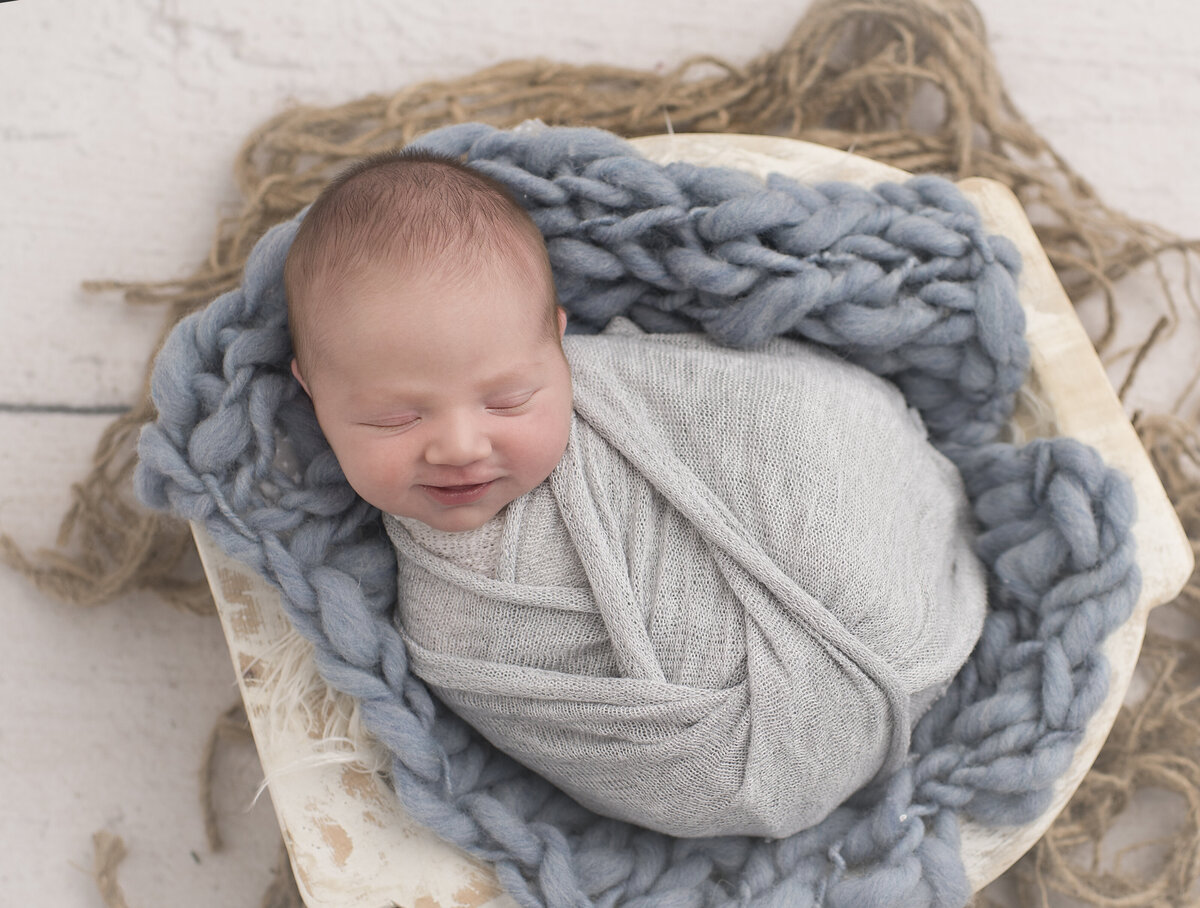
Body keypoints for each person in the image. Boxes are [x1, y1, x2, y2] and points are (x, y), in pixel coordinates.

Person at [285, 149, 988, 839]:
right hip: (767, 733)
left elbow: (776, 418)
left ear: (558, 347)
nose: (462, 446)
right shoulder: (445, 621)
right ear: (313, 394)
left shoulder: (625, 386)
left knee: (805, 433)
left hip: (869, 557)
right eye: (396, 418)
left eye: (509, 399)